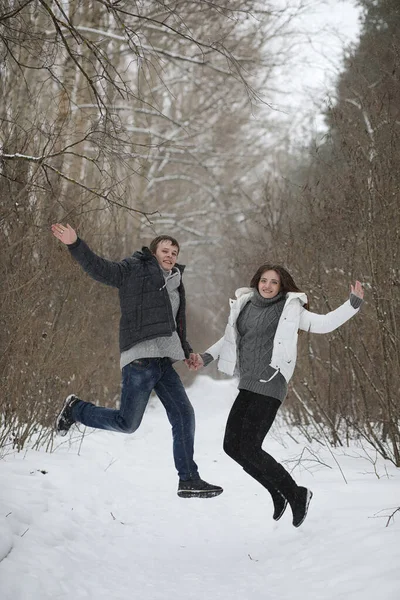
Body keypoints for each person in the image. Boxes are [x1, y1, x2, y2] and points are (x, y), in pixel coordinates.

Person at [51, 223, 222, 499]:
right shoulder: (134, 269)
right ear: (153, 253)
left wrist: (186, 350)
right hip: (140, 358)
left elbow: (176, 323)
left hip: (165, 362)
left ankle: (189, 479)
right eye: (165, 250)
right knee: (127, 424)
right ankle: (76, 409)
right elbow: (100, 269)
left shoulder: (177, 281)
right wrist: (75, 244)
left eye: (174, 252)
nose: (170, 255)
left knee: (184, 414)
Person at [189, 264, 364, 525]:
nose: (268, 286)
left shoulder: (290, 309)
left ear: (282, 287)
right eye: (264, 280)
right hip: (248, 383)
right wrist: (206, 357)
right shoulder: (245, 304)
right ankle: (277, 491)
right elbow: (230, 338)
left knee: (248, 446)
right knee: (231, 446)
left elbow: (324, 323)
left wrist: (353, 304)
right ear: (257, 282)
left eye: (274, 282)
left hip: (271, 383)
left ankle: (296, 493)